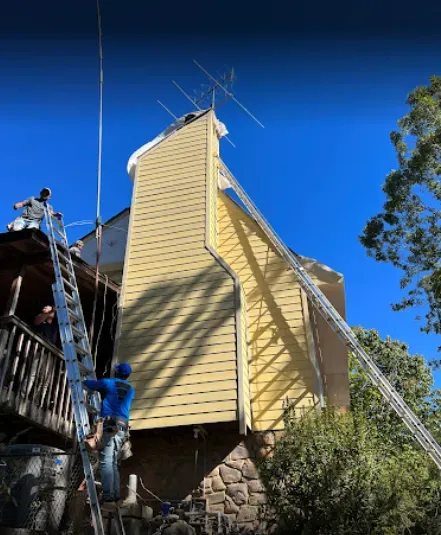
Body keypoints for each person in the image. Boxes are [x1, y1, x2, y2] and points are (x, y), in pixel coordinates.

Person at [83, 363, 135, 510]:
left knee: (106, 462)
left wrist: (81, 381)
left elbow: (91, 384)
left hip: (110, 425)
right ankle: (116, 497)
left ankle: (108, 498)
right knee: (112, 463)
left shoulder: (109, 382)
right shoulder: (131, 389)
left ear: (117, 372)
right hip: (122, 427)